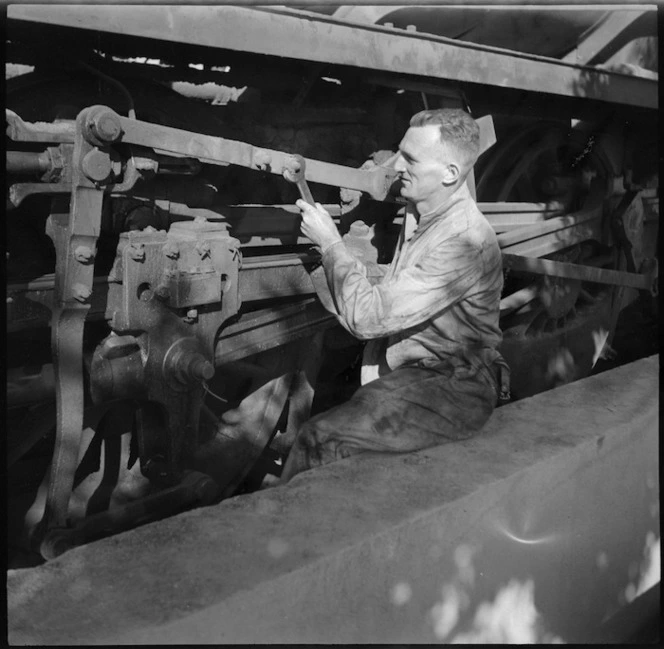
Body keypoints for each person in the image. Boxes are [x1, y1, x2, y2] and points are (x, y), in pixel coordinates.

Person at [280, 108, 509, 482]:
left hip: (453, 385)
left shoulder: (464, 240)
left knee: (320, 441)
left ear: (451, 174)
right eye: (400, 151)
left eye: (411, 159)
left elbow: (369, 318)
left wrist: (330, 244)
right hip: (414, 374)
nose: (397, 165)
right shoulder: (424, 206)